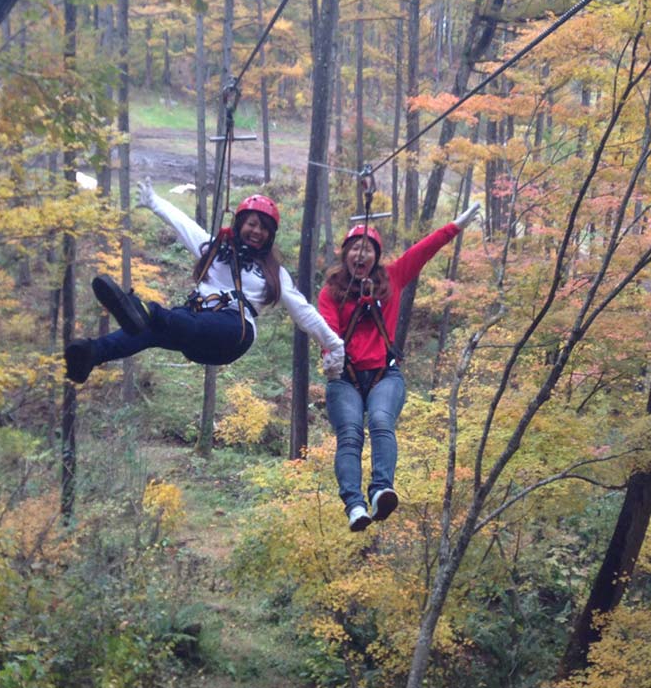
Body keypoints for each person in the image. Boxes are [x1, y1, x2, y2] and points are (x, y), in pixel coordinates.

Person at [64, 178, 345, 384]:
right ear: (239, 224)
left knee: (164, 321)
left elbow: (304, 313)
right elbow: (184, 225)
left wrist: (334, 345)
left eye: (263, 228)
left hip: (234, 331)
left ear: (270, 236)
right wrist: (154, 202)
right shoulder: (215, 251)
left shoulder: (274, 273)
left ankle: (147, 311)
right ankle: (91, 353)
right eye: (251, 223)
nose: (255, 231)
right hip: (194, 331)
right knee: (150, 331)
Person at [317, 202, 481, 532]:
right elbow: (327, 329)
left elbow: (425, 249)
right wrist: (331, 355)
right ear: (345, 254)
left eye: (367, 250)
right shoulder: (331, 292)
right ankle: (354, 505)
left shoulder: (393, 277)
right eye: (355, 249)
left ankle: (380, 490)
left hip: (383, 374)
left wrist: (455, 227)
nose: (360, 256)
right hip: (345, 378)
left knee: (380, 421)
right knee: (349, 435)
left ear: (376, 257)